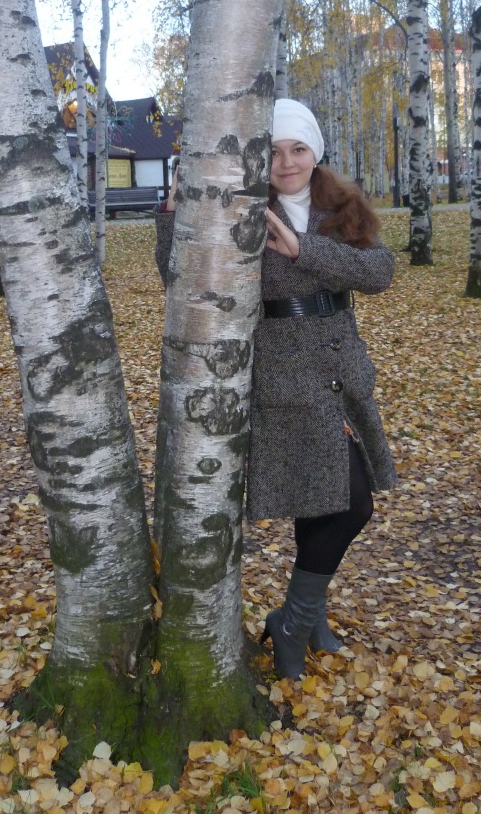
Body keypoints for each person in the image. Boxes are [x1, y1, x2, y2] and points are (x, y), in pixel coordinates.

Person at [154, 99, 395, 679]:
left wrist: (302, 248)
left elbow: (379, 272)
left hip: (342, 373)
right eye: (275, 151)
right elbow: (180, 275)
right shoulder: (243, 208)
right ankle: (292, 625)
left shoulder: (339, 207)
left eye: (298, 149)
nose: (287, 163)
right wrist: (170, 217)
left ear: (315, 153)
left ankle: (303, 620)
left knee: (330, 501)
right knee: (349, 502)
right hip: (285, 379)